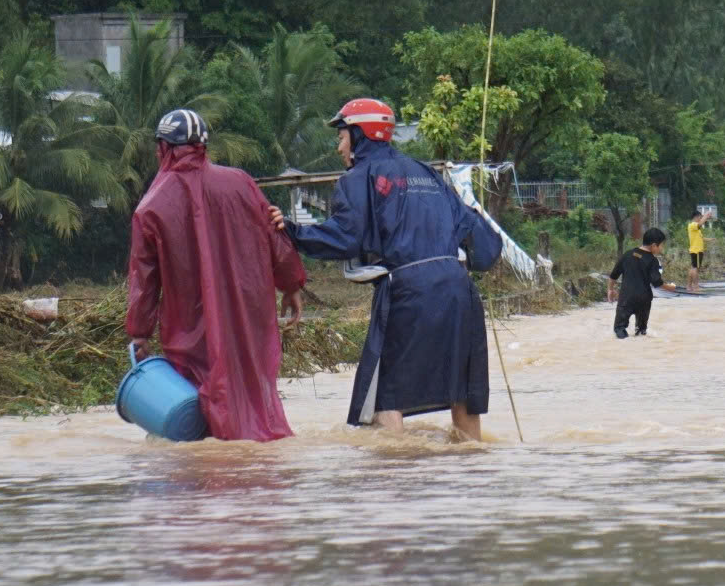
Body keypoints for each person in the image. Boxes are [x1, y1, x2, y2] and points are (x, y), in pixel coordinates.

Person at [284, 97, 501, 440]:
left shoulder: (358, 177)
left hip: (409, 291)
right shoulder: (427, 172)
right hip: (461, 289)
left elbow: (346, 238)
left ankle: (389, 475)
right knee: (463, 391)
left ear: (360, 135)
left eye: (341, 136)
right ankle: (472, 473)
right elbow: (486, 247)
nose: (339, 146)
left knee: (387, 393)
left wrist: (292, 233)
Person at [125, 109, 309, 442]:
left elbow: (144, 279)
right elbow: (273, 236)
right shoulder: (240, 182)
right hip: (245, 316)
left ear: (162, 149)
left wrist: (139, 333)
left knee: (193, 407)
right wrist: (292, 285)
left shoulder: (149, 207)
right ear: (204, 146)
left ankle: (211, 481)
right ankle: (250, 465)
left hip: (188, 326)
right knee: (249, 390)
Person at [608, 227, 670, 338]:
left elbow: (613, 276)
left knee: (619, 328)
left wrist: (610, 290)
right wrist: (671, 287)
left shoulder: (627, 255)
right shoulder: (652, 260)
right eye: (661, 245)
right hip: (644, 300)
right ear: (654, 245)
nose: (662, 248)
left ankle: (625, 347)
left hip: (626, 298)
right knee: (641, 331)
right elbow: (657, 283)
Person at [684, 210, 709, 291]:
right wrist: (706, 216)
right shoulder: (693, 225)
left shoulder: (696, 229)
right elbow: (700, 224)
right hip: (697, 250)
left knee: (693, 268)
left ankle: (689, 286)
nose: (700, 219)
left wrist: (710, 239)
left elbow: (701, 238)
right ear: (696, 217)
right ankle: (696, 286)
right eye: (700, 217)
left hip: (696, 250)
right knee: (695, 269)